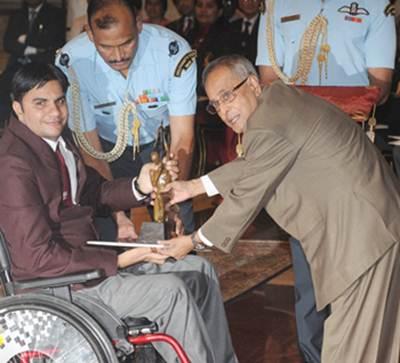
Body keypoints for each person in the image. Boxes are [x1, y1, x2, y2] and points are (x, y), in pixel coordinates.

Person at [160, 55, 400, 363]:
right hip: (374, 228)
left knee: (348, 350)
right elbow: (257, 164)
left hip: (362, 241)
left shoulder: (269, 125)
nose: (223, 110)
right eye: (215, 104)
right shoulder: (279, 104)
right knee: (381, 347)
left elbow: (249, 191)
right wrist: (193, 186)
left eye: (227, 96)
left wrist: (194, 241)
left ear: (253, 85)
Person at [0, 62, 237, 363]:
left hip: (89, 266)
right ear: (18, 109)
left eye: (59, 101)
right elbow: (37, 258)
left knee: (199, 270)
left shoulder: (56, 141)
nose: (55, 112)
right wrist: (124, 258)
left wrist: (140, 184)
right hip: (66, 285)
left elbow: (93, 192)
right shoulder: (12, 165)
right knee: (171, 292)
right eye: (40, 103)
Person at [255, 1, 396, 361]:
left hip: (350, 156)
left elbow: (378, 82)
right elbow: (268, 80)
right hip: (296, 155)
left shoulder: (374, 7)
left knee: (358, 264)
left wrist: (318, 111)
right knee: (308, 271)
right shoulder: (276, 7)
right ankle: (313, 355)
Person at [56, 0, 197, 238]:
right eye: (106, 47)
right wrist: (118, 216)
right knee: (109, 231)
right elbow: (89, 147)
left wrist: (171, 198)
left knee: (177, 228)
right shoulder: (71, 63)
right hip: (106, 151)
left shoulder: (173, 51)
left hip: (162, 146)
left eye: (127, 42)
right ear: (89, 34)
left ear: (139, 25)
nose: (118, 56)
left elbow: (183, 136)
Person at [0, 0, 65, 126]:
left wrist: (24, 41)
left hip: (42, 64)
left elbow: (52, 42)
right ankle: (8, 125)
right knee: (4, 86)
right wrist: (29, 48)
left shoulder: (55, 14)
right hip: (17, 65)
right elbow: (8, 43)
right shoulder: (18, 14)